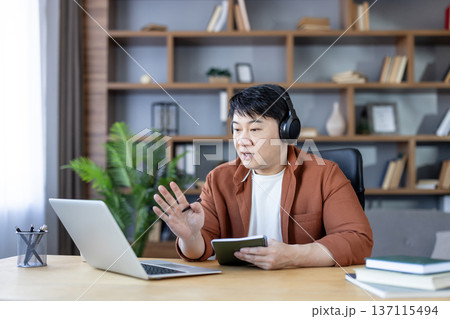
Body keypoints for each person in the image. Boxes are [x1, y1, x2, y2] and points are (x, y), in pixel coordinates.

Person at [152, 84, 373, 270]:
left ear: (287, 131)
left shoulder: (325, 174)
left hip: (303, 291)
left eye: (255, 130)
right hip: (238, 293)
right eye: (237, 130)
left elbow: (358, 240)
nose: (242, 140)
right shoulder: (218, 179)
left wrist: (293, 256)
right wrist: (190, 237)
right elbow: (202, 249)